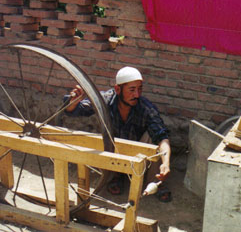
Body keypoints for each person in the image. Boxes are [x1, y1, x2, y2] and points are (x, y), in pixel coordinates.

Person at [65, 66, 172, 202]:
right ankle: (117, 176)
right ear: (117, 89)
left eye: (139, 89)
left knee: (153, 138)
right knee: (107, 138)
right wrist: (73, 102)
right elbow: (74, 110)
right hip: (114, 149)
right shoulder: (105, 100)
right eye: (132, 90)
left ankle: (156, 182)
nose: (137, 95)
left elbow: (163, 138)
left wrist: (166, 163)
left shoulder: (146, 108)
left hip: (138, 152)